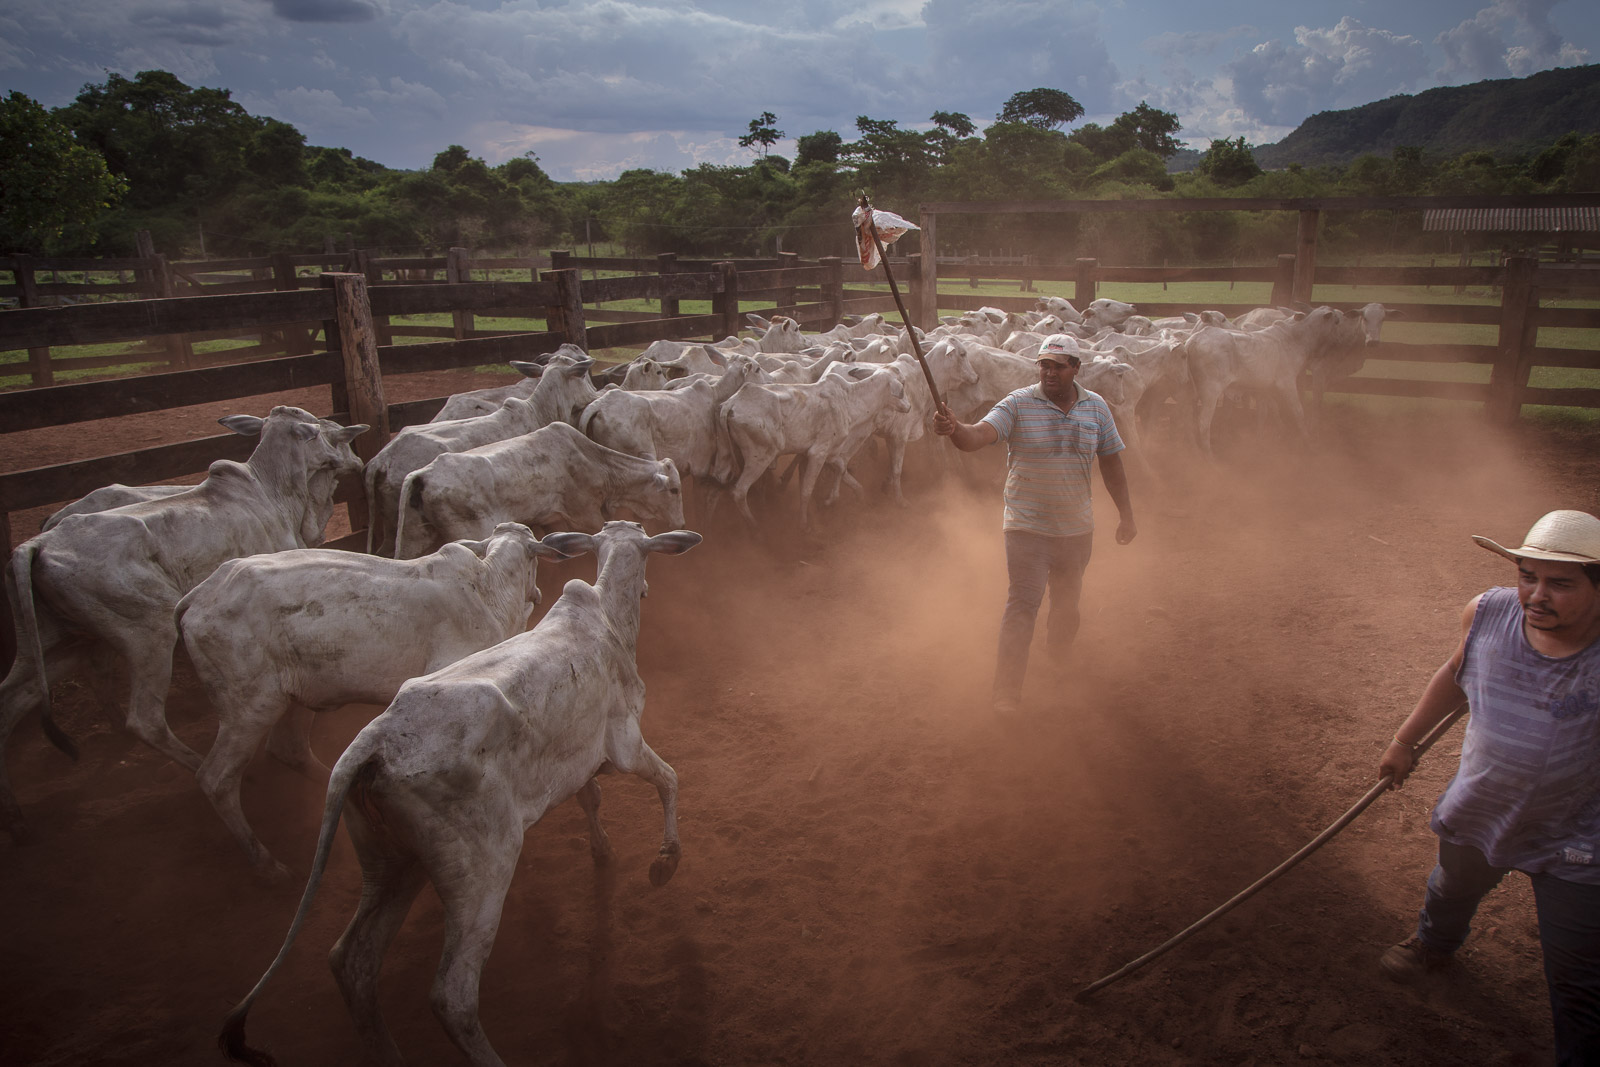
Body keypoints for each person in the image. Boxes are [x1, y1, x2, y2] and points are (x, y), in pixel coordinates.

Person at [1378, 509, 1600, 1066]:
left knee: (1577, 972)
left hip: (1577, 832)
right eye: (1528, 576)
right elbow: (1457, 674)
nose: (1537, 595)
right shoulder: (1487, 613)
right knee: (1452, 886)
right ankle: (1434, 944)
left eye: (1561, 583)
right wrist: (1406, 739)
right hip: (1481, 805)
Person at [932, 333, 1136, 716]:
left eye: (1058, 366)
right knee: (1023, 604)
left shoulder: (1096, 408)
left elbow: (1111, 460)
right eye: (1043, 364)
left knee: (1067, 607)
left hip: (1077, 528)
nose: (1049, 372)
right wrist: (955, 429)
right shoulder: (1018, 404)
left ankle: (1058, 655)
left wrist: (1126, 514)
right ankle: (1006, 693)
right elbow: (978, 436)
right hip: (1026, 526)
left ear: (1076, 368)